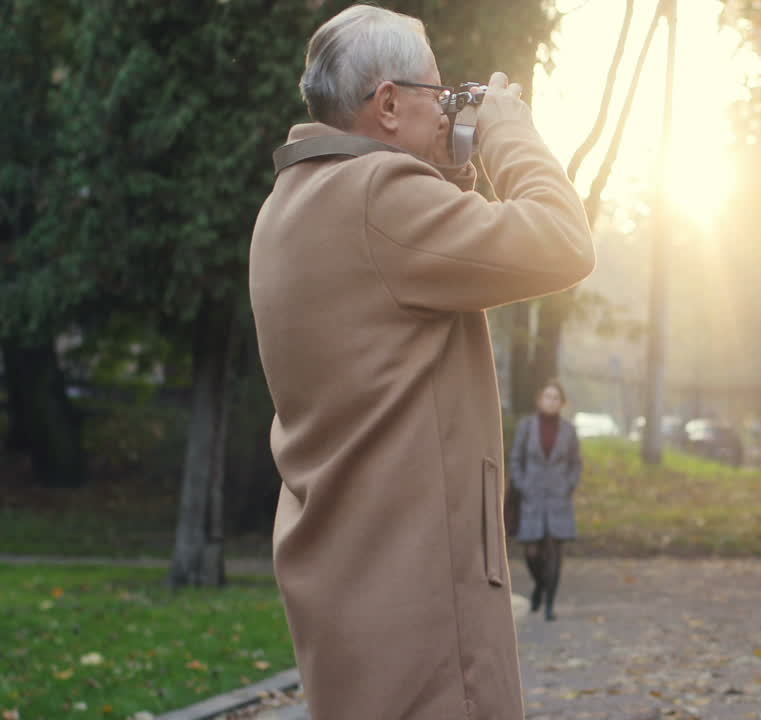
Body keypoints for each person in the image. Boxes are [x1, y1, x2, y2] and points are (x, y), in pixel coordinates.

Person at [248, 5, 594, 719]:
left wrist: (448, 164)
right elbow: (564, 241)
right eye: (438, 95)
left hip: (353, 584)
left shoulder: (290, 204)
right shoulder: (377, 198)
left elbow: (415, 276)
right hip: (423, 600)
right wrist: (506, 134)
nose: (446, 112)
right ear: (387, 103)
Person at [509, 380, 583, 621]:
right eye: (547, 397)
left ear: (562, 403)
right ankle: (539, 586)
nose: (551, 401)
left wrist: (568, 485)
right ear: (540, 400)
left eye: (555, 398)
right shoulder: (527, 426)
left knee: (554, 552)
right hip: (532, 497)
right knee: (531, 553)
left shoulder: (569, 430)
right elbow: (516, 458)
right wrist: (522, 485)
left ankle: (549, 604)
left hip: (558, 499)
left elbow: (575, 463)